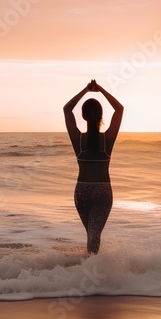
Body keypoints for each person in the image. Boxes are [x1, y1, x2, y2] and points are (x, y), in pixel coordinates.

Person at [64, 79, 123, 254]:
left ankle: (89, 270)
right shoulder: (107, 140)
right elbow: (119, 109)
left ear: (83, 115)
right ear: (101, 116)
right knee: (93, 235)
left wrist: (86, 90)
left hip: (82, 191)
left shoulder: (79, 140)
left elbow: (67, 109)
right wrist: (101, 90)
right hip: (102, 190)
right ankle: (93, 272)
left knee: (91, 235)